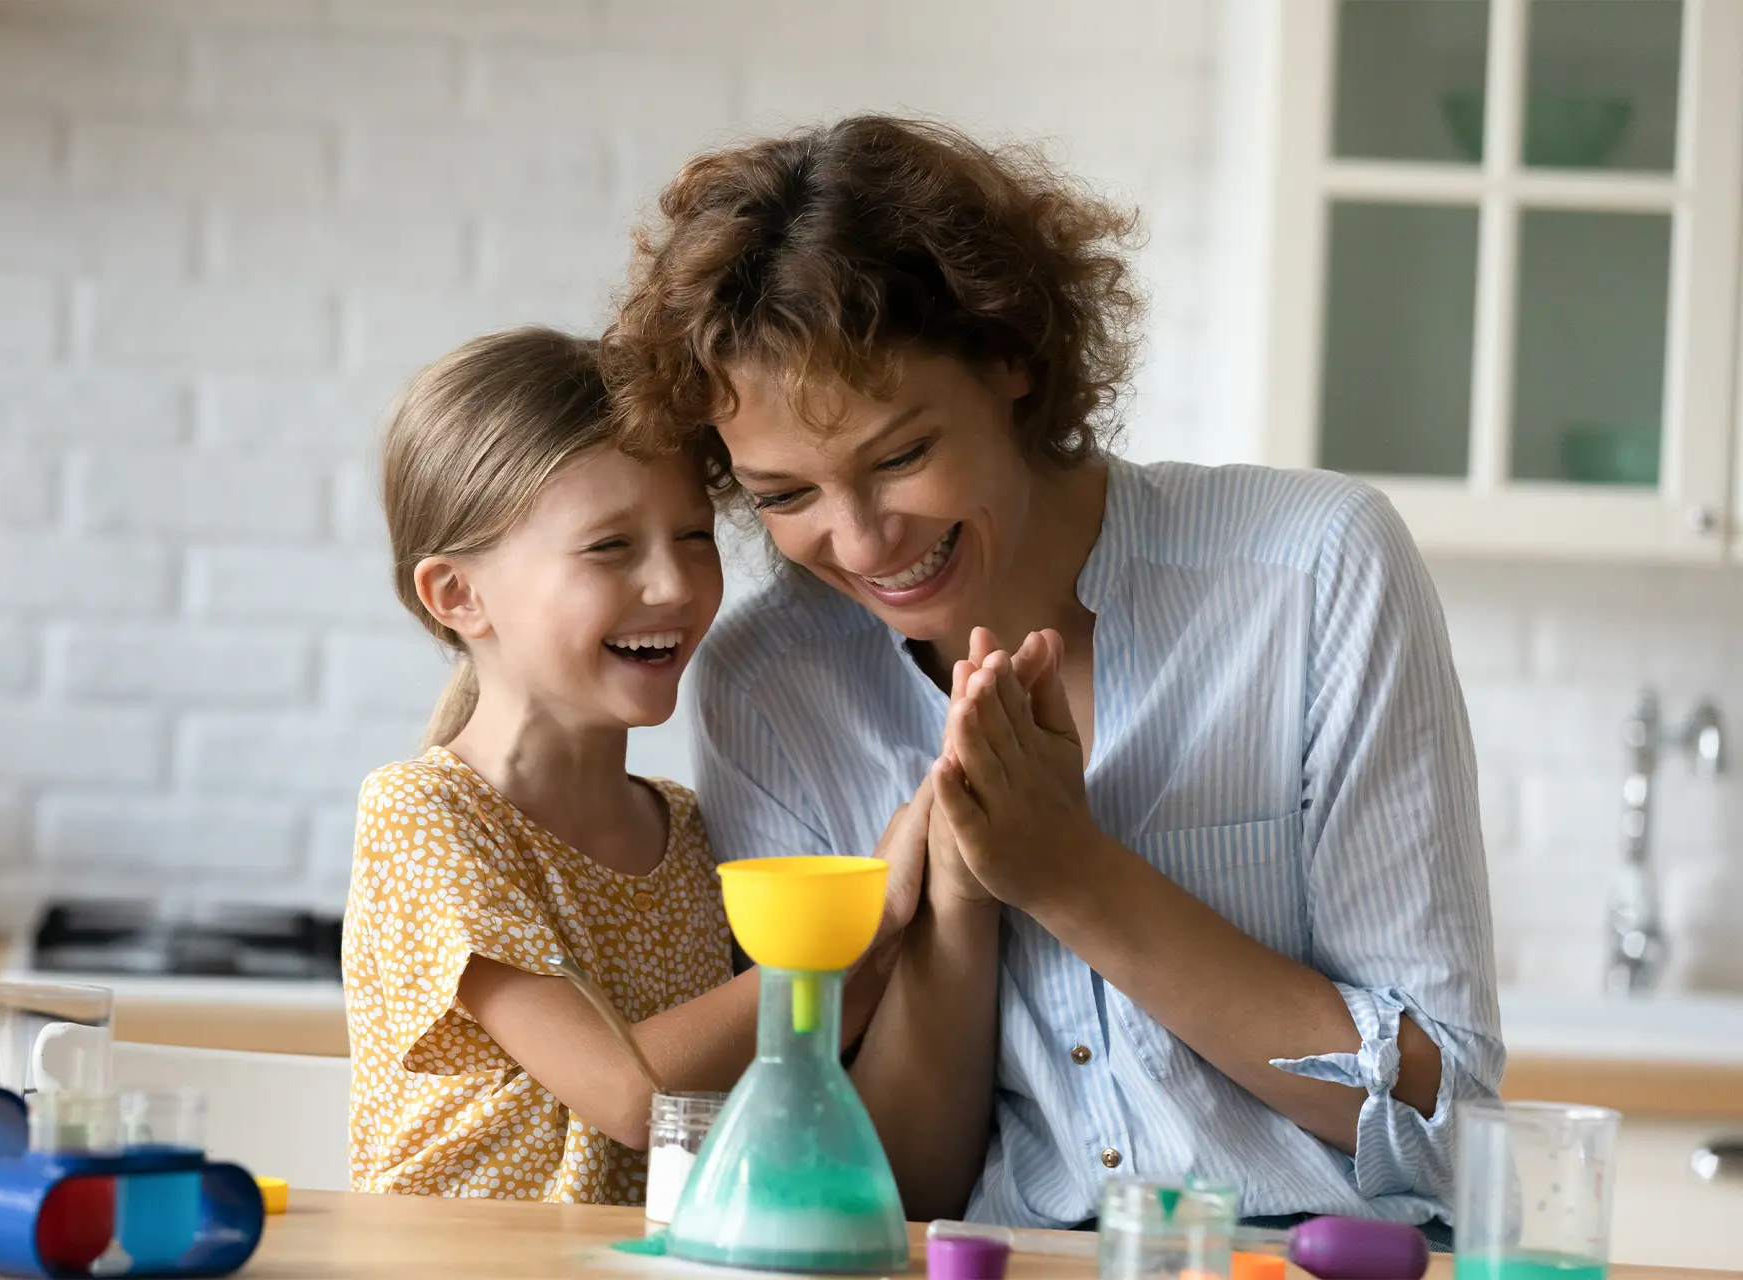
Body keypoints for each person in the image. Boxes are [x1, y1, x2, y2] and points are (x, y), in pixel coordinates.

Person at [601, 115, 1503, 1235]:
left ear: (1011, 355)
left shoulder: (1311, 569)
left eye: (900, 456)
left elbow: (1450, 1113)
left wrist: (1068, 871)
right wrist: (960, 904)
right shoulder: (772, 686)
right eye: (785, 495)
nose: (864, 540)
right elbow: (888, 1194)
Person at [341, 327, 923, 1200]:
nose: (676, 586)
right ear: (457, 594)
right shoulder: (425, 815)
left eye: (694, 536)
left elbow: (802, 1045)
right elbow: (630, 1093)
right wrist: (862, 925)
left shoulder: (688, 829)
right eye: (611, 547)